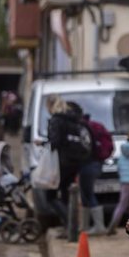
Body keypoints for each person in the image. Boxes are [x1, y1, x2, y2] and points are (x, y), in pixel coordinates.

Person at [44, 95, 87, 233]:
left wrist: (47, 142)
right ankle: (69, 226)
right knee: (66, 194)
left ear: (51, 106)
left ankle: (69, 223)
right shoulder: (74, 119)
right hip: (75, 162)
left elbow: (55, 141)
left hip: (61, 163)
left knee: (50, 196)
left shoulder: (57, 120)